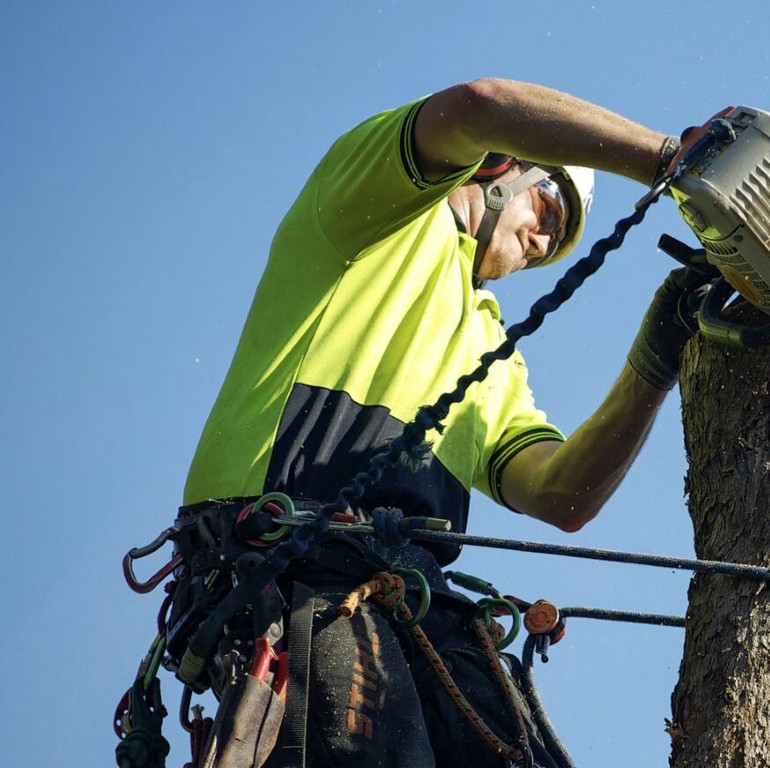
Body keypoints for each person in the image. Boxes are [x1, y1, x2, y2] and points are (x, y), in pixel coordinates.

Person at [169, 79, 710, 768]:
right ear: (496, 168)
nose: (545, 239)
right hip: (289, 561)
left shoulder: (489, 347)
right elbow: (477, 105)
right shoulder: (373, 213)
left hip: (409, 593)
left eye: (560, 239)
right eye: (549, 205)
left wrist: (653, 360)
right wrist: (670, 156)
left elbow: (559, 495)